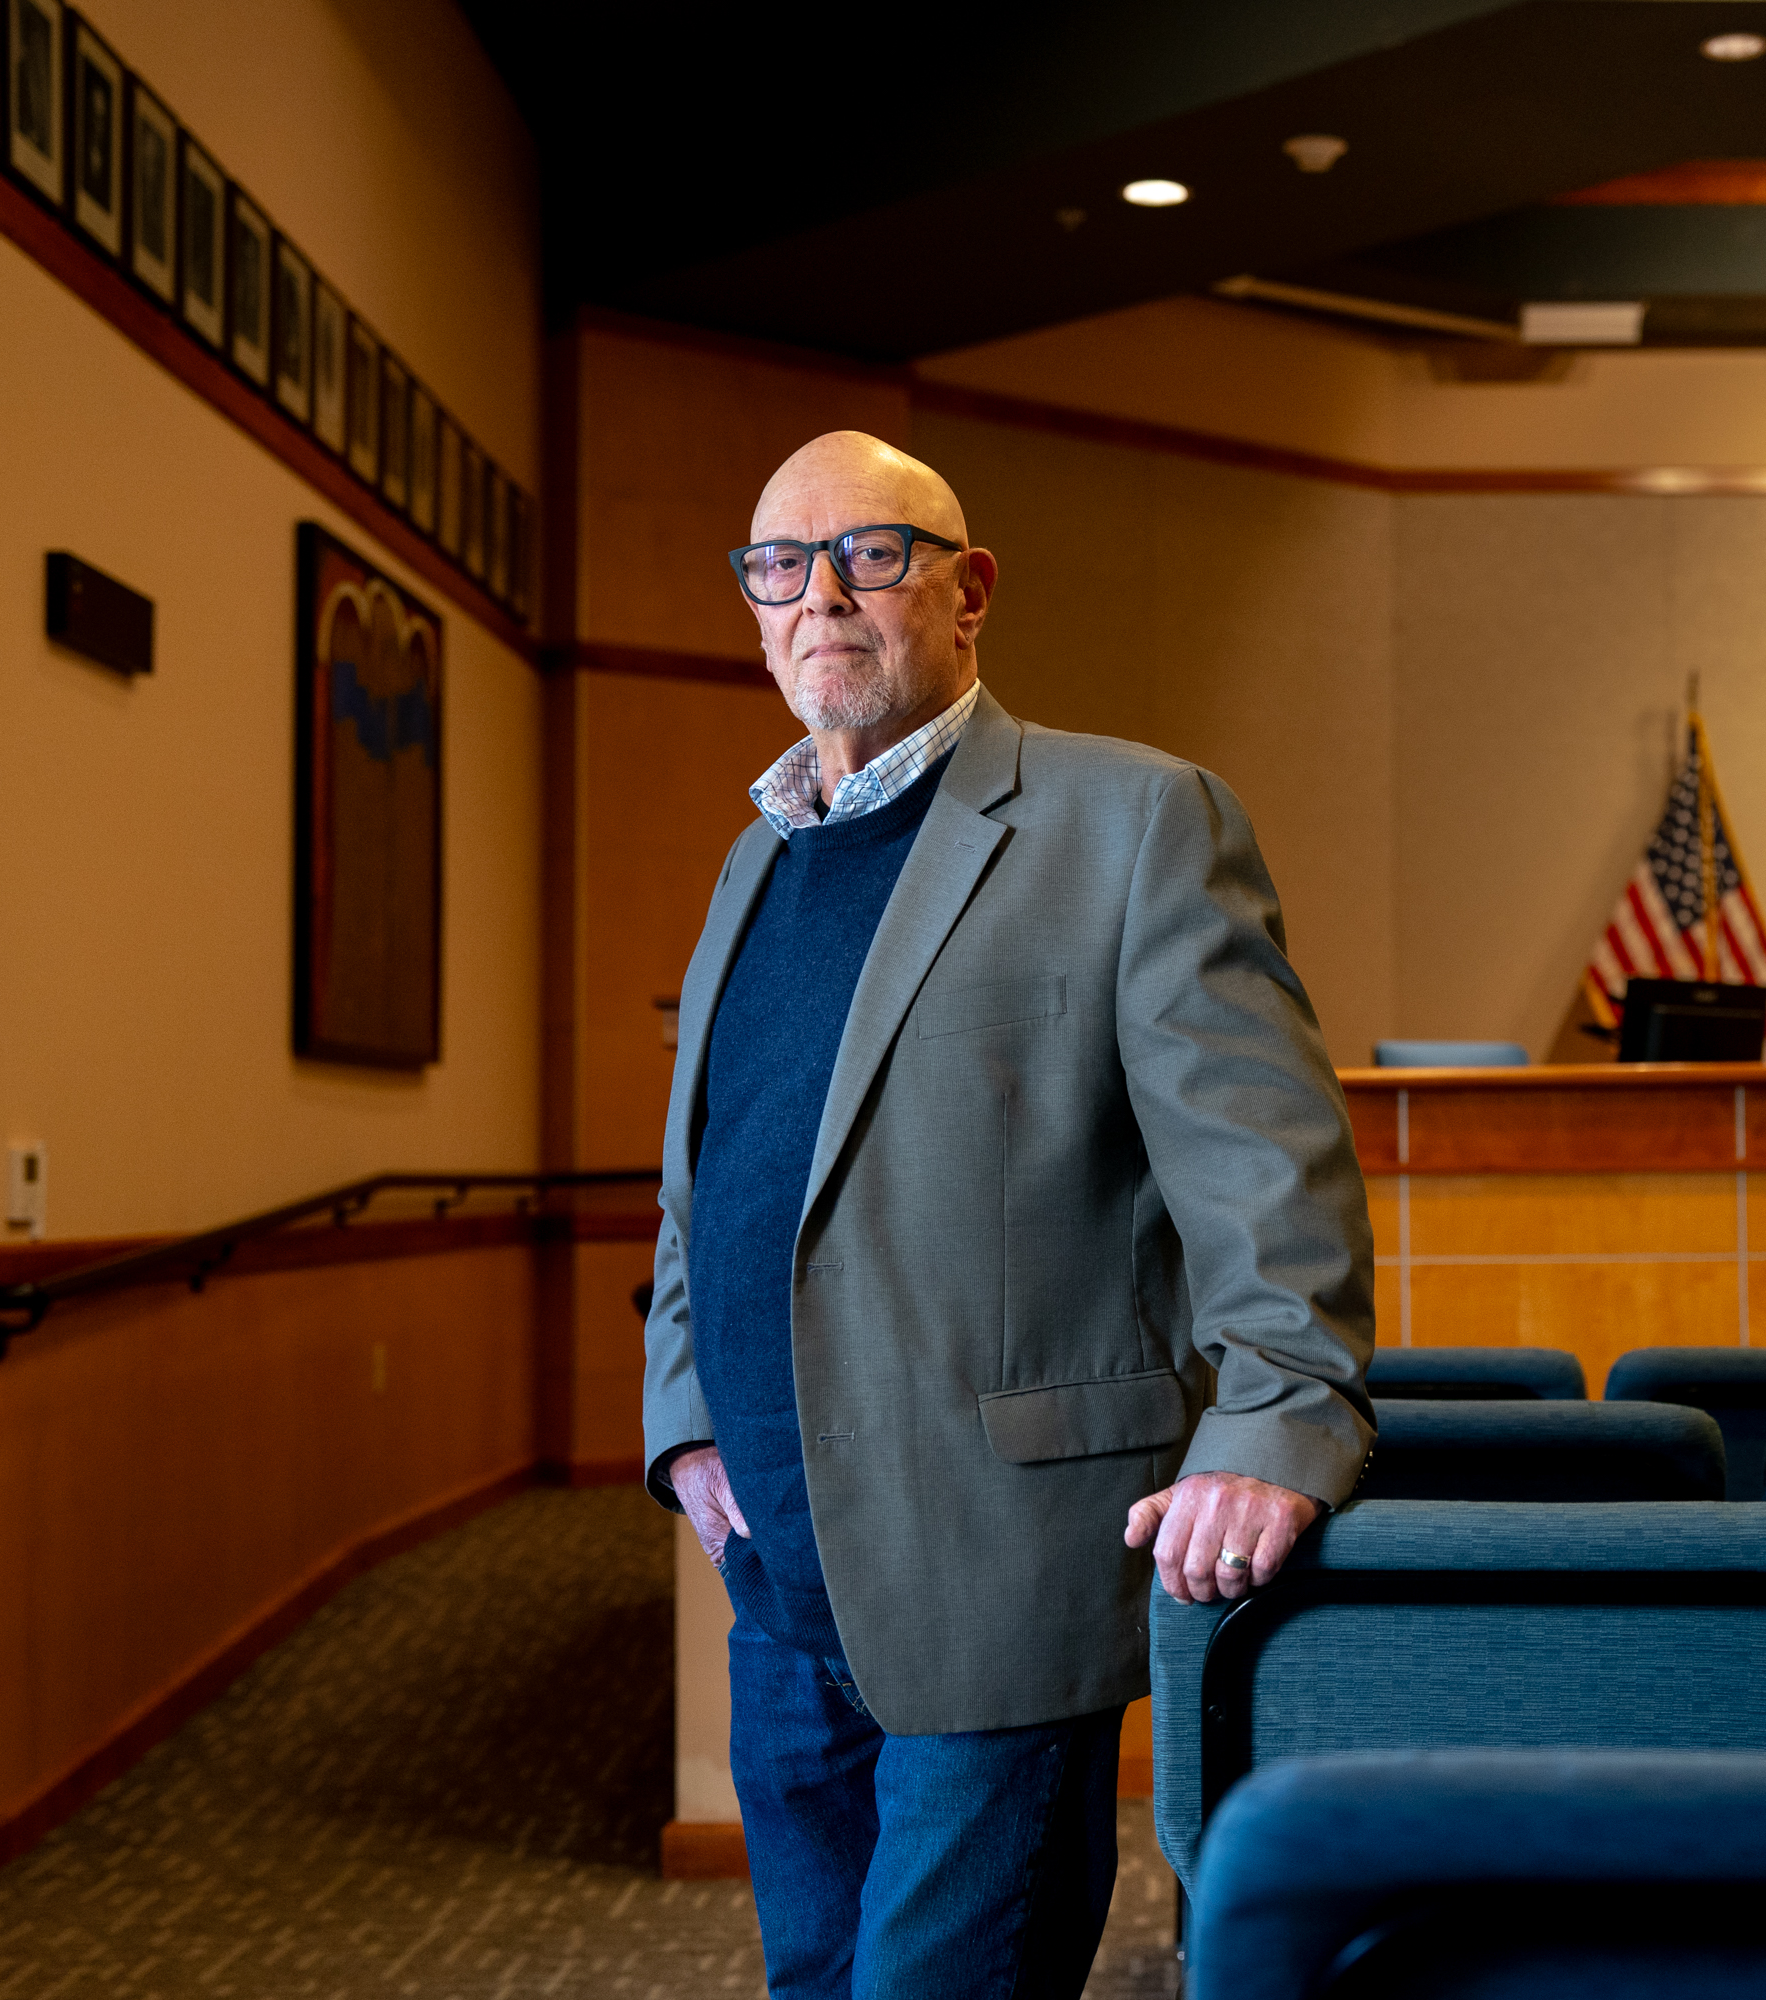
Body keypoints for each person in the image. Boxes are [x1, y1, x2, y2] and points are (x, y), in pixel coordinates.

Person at [642, 431, 1375, 1998]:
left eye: (874, 554)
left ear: (969, 592)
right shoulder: (750, 863)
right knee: (818, 1978)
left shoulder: (1135, 821)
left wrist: (1276, 1422)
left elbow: (1267, 1174)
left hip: (1000, 1553)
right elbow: (699, 1181)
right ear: (755, 607)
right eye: (782, 564)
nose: (822, 593)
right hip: (777, 1568)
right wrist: (684, 1414)